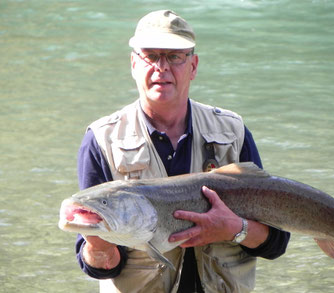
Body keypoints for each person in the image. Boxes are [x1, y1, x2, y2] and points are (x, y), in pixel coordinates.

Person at [75, 10, 290, 293]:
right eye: (150, 56)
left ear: (194, 66)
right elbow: (99, 265)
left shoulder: (233, 132)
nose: (161, 67)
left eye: (175, 56)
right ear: (133, 65)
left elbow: (275, 242)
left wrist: (235, 228)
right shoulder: (101, 140)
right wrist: (99, 247)